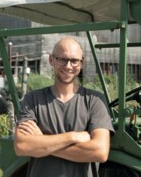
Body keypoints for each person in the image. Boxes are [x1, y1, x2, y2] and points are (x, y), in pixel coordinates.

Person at [14, 37, 115, 177]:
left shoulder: (95, 101)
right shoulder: (33, 99)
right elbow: (22, 146)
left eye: (74, 61)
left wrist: (43, 141)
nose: (68, 66)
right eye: (62, 59)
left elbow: (100, 152)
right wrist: (72, 137)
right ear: (51, 60)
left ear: (82, 63)